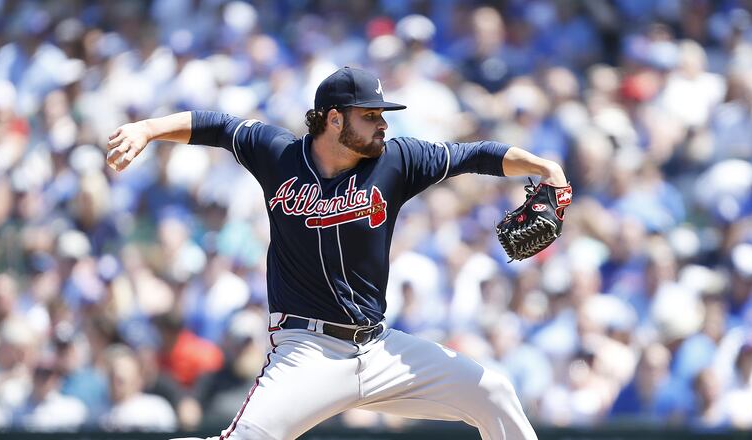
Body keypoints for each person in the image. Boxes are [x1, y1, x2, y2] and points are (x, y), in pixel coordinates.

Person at [107, 66, 568, 440]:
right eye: (371, 115)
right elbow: (217, 127)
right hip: (307, 350)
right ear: (334, 119)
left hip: (381, 348)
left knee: (494, 394)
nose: (384, 124)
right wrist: (149, 128)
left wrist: (543, 166)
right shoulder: (279, 154)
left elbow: (476, 155)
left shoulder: (397, 160)